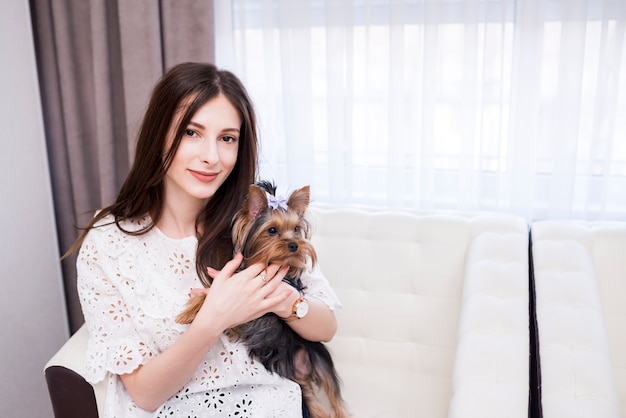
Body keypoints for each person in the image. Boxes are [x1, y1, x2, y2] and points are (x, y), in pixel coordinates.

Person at [66, 62, 341, 417]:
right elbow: (146, 395)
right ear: (159, 134)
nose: (211, 156)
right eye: (191, 133)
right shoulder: (108, 245)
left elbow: (327, 327)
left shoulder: (257, 224)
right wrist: (212, 319)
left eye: (227, 138)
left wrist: (282, 301)